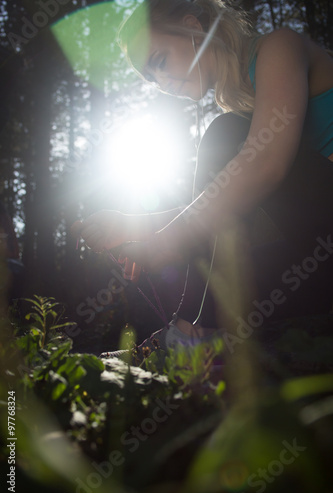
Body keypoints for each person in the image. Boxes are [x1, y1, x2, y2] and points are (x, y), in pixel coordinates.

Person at [72, 0, 333, 357]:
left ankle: (192, 337)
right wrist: (137, 226)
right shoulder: (243, 111)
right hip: (318, 248)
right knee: (242, 263)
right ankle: (198, 340)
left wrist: (168, 240)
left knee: (225, 136)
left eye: (160, 61)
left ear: (193, 27)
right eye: (151, 77)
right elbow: (229, 198)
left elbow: (265, 164)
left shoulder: (279, 47)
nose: (162, 83)